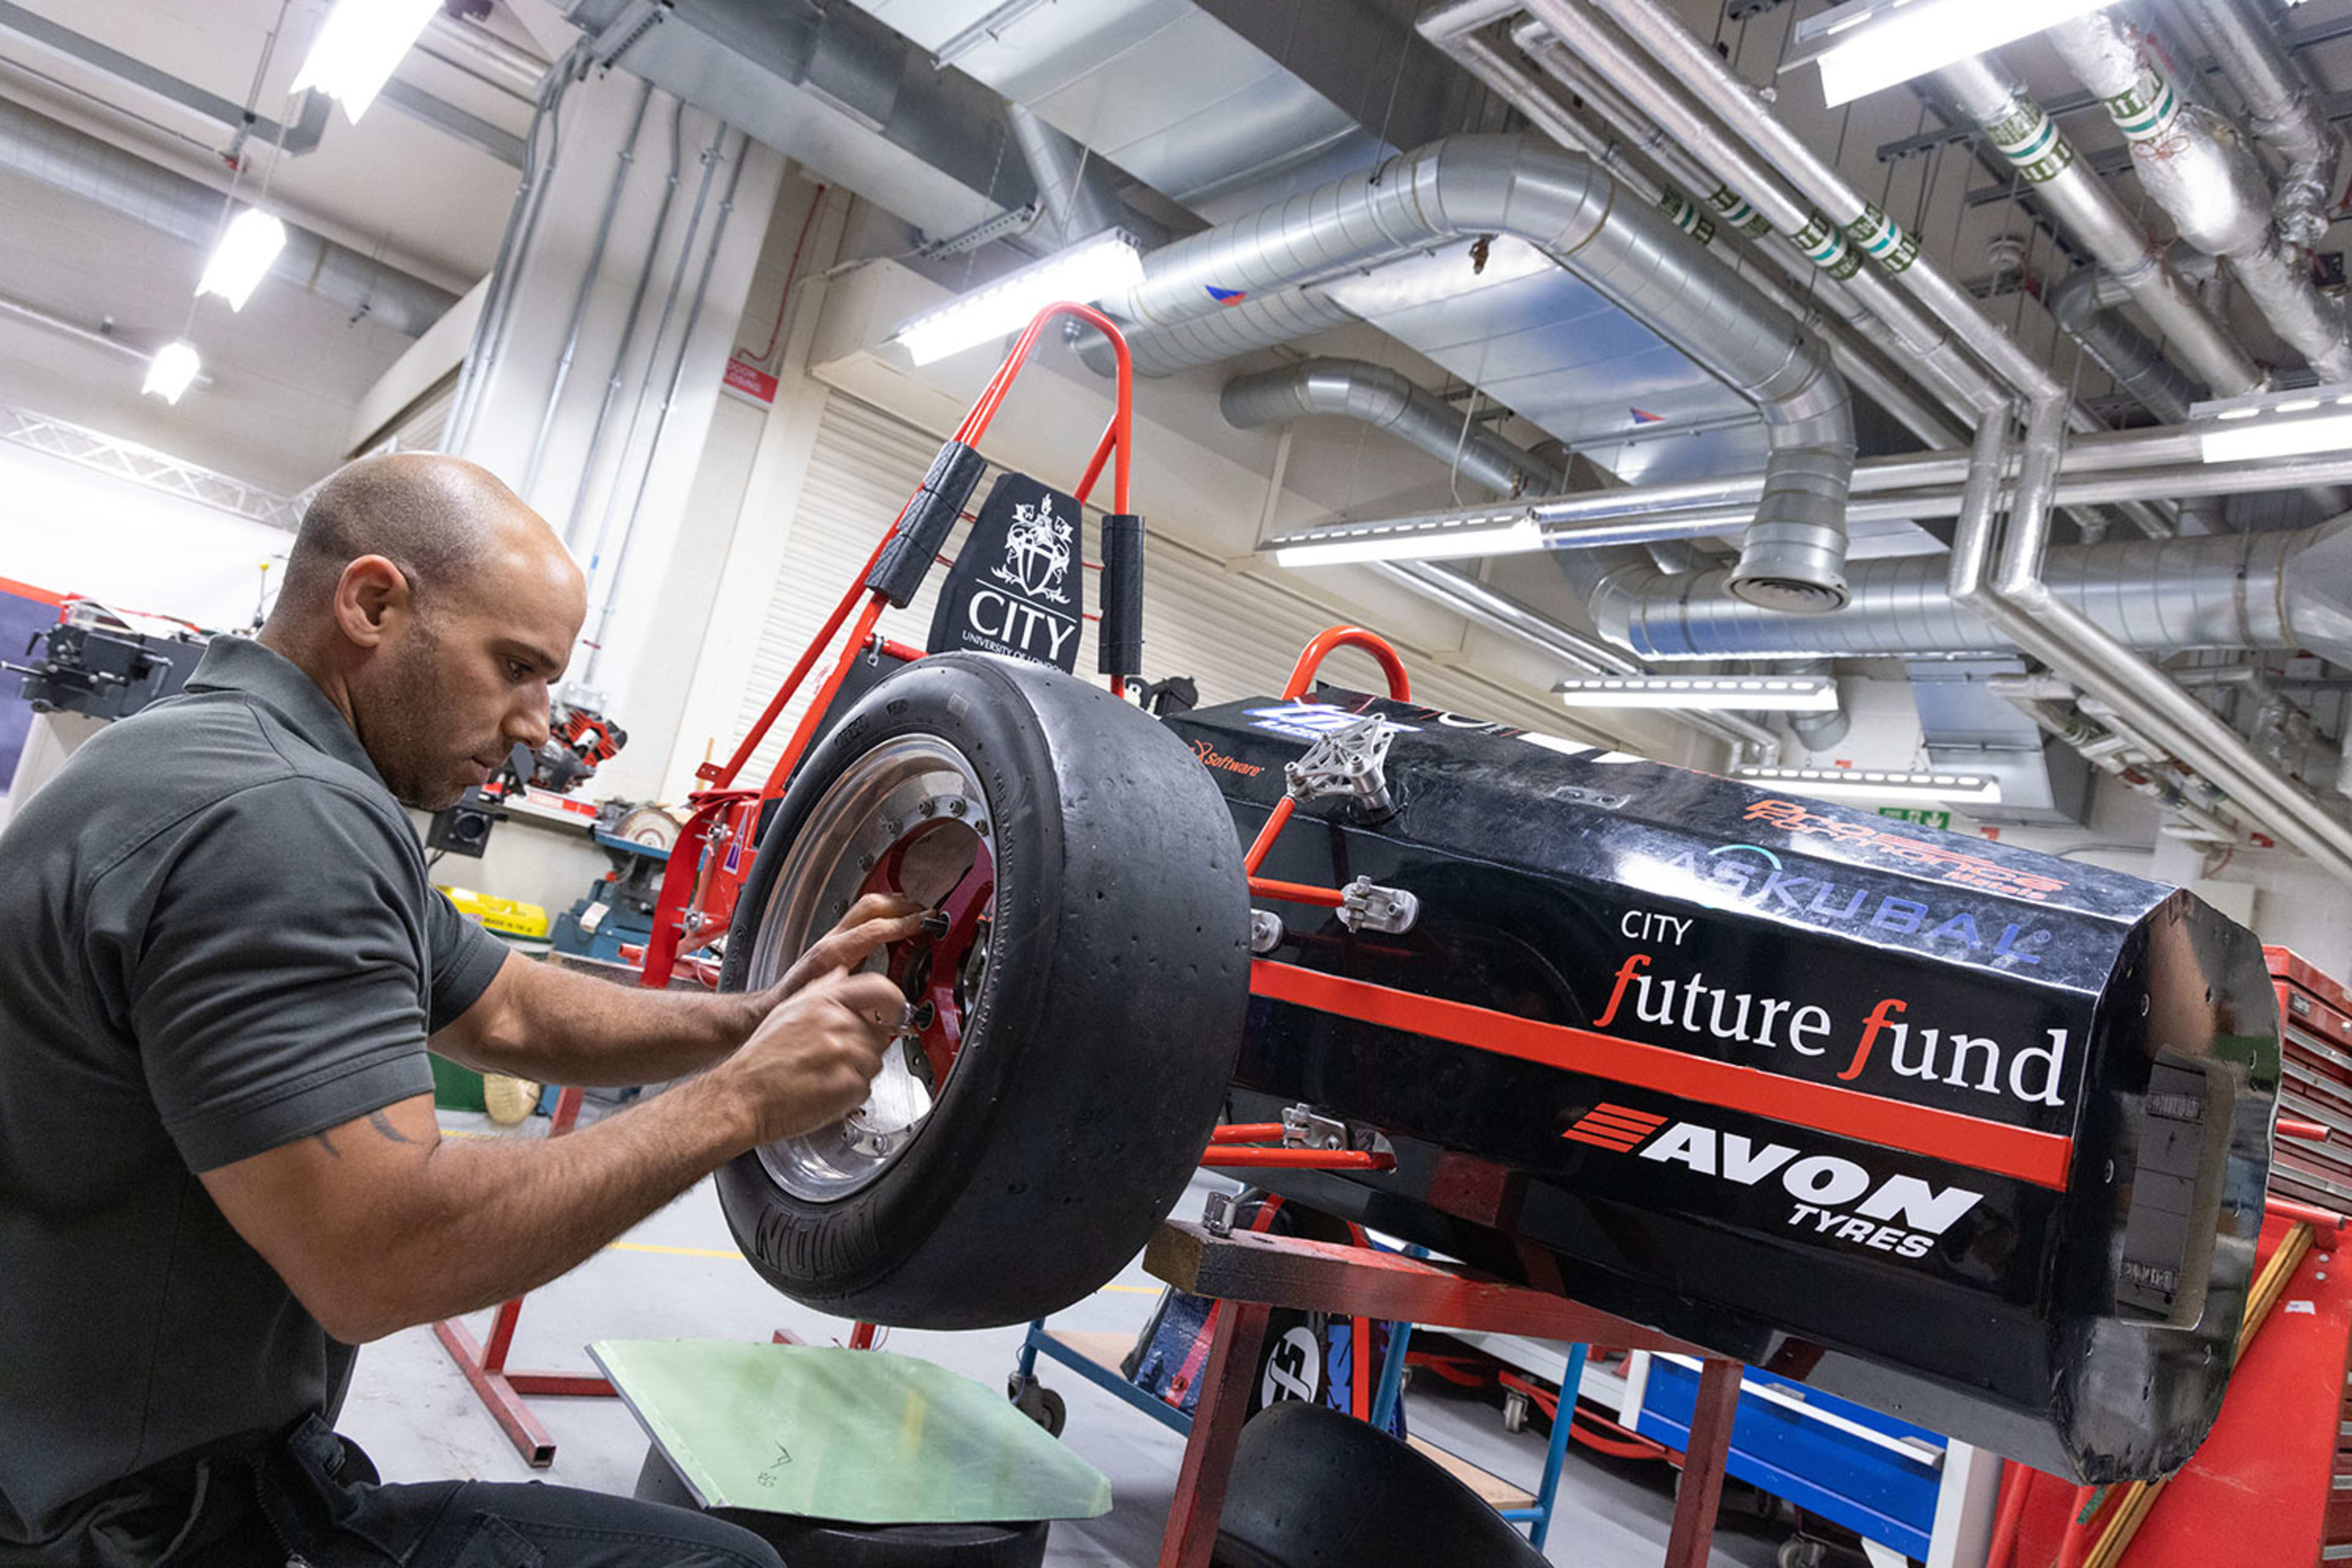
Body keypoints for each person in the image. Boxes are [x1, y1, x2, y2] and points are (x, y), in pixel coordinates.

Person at [0, 453, 921, 1566]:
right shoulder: (283, 822)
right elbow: (383, 1256)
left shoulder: (224, 754)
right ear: (374, 604)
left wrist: (757, 1012)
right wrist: (736, 1105)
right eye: (517, 668)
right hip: (131, 1526)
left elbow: (513, 1011)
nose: (539, 724)